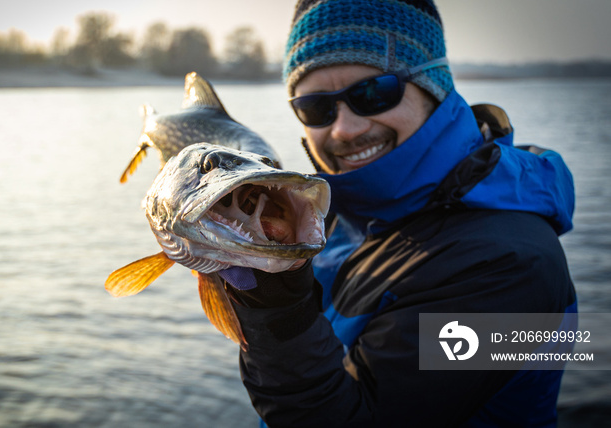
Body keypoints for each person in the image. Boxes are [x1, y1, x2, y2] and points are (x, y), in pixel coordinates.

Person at [218, 0, 577, 426]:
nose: (345, 129)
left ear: (434, 90)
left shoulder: (509, 265)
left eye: (373, 93)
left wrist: (273, 306)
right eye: (316, 107)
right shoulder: (341, 212)